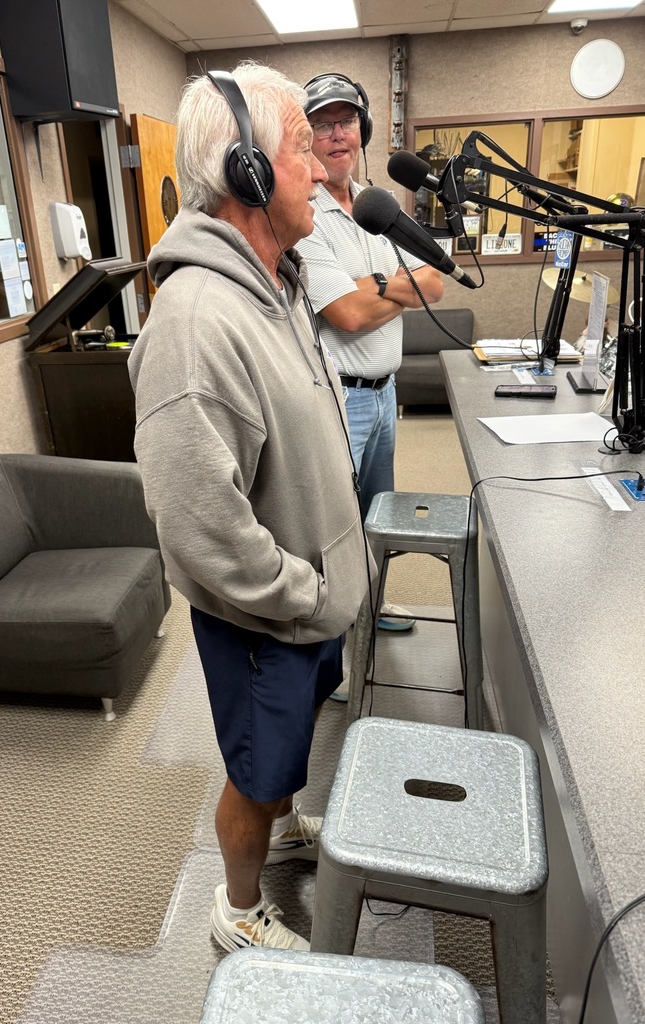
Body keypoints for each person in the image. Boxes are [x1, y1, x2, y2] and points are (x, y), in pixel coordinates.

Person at [128, 63, 371, 954]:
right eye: (303, 147)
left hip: (313, 600)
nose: (323, 164)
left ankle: (284, 818)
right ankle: (236, 911)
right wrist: (303, 593)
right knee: (254, 770)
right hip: (271, 615)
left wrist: (328, 586)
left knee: (290, 747)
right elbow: (198, 527)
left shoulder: (280, 283)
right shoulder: (196, 322)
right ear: (249, 173)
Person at [295, 72, 444, 647]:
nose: (338, 135)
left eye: (347, 121)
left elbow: (435, 283)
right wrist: (395, 286)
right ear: (306, 138)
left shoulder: (378, 206)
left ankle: (370, 606)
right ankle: (331, 640)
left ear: (364, 129)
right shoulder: (305, 215)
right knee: (336, 525)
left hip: (386, 395)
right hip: (343, 396)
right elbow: (348, 315)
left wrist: (373, 284)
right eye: (323, 125)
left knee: (377, 514)